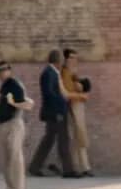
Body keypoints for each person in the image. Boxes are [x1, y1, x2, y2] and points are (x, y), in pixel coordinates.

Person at [28, 49, 77, 179]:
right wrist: (59, 108)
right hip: (56, 112)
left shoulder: (53, 72)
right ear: (57, 60)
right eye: (61, 60)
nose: (63, 62)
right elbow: (49, 94)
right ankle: (68, 170)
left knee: (49, 139)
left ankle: (35, 166)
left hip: (56, 111)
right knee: (63, 139)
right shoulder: (48, 73)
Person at [0, 62, 33, 189]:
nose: (1, 73)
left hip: (14, 123)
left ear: (9, 70)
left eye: (3, 70)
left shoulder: (15, 85)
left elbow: (27, 103)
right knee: (8, 157)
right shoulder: (5, 86)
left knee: (15, 156)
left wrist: (15, 104)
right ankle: (10, 188)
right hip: (5, 123)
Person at [60, 48, 92, 177]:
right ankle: (79, 167)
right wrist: (81, 95)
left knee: (80, 137)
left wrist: (81, 87)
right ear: (66, 59)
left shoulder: (73, 72)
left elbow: (77, 87)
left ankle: (84, 167)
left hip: (77, 105)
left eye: (75, 58)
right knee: (77, 137)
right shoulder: (64, 73)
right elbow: (67, 92)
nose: (75, 60)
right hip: (72, 106)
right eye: (72, 57)